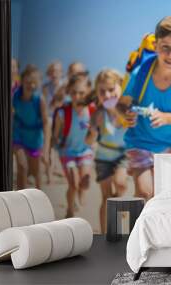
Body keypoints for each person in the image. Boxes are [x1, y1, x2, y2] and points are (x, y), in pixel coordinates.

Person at [117, 16, 171, 201]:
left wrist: (168, 118)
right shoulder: (141, 73)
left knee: (163, 198)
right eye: (165, 48)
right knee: (145, 192)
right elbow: (121, 104)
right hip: (139, 142)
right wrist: (125, 114)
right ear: (156, 47)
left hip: (169, 146)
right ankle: (136, 229)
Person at [85, 69, 129, 233]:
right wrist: (93, 133)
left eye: (111, 89)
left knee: (121, 184)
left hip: (123, 155)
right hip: (103, 157)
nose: (107, 94)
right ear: (97, 93)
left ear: (120, 88)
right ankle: (105, 235)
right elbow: (88, 141)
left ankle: (120, 202)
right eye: (102, 91)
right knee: (105, 198)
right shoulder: (97, 115)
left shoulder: (127, 111)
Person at [51, 72, 94, 218]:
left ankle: (81, 193)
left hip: (85, 151)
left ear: (88, 92)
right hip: (67, 152)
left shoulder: (92, 111)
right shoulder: (63, 113)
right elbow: (55, 136)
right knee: (73, 183)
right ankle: (69, 210)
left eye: (81, 93)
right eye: (74, 93)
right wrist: (52, 153)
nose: (77, 96)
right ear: (69, 92)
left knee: (85, 181)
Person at [12, 64, 48, 189]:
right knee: (22, 166)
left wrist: (46, 149)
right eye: (28, 81)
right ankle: (19, 199)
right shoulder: (15, 96)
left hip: (35, 138)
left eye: (35, 82)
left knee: (35, 172)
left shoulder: (40, 100)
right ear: (21, 80)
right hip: (18, 135)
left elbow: (46, 124)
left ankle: (39, 199)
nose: (31, 85)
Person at [42, 60, 63, 183]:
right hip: (50, 120)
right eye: (52, 71)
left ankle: (56, 171)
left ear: (61, 73)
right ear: (49, 73)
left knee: (55, 148)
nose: (54, 74)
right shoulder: (45, 87)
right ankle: (50, 176)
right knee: (50, 147)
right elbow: (46, 107)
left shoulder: (64, 85)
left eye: (57, 71)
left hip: (62, 120)